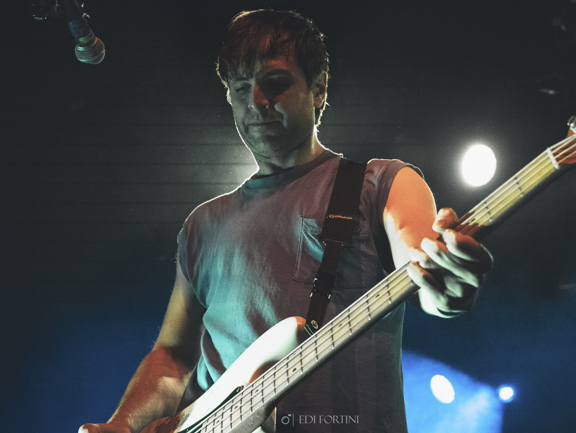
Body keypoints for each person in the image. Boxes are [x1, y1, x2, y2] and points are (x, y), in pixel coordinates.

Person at [79, 9, 492, 433]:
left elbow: (419, 257)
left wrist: (445, 286)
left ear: (319, 89)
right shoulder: (202, 225)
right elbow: (172, 355)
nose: (257, 101)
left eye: (276, 83)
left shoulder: (382, 182)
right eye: (241, 88)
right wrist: (122, 424)